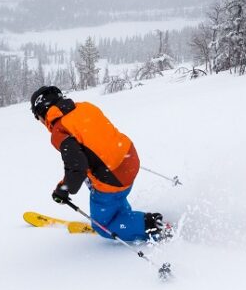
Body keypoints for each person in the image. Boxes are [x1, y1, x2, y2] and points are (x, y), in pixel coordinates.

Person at [30, 85, 170, 242]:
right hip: (129, 157)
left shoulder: (59, 130)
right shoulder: (85, 107)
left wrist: (63, 190)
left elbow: (77, 167)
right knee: (98, 185)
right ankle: (125, 217)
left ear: (42, 113)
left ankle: (150, 226)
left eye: (37, 117)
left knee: (103, 226)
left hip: (113, 177)